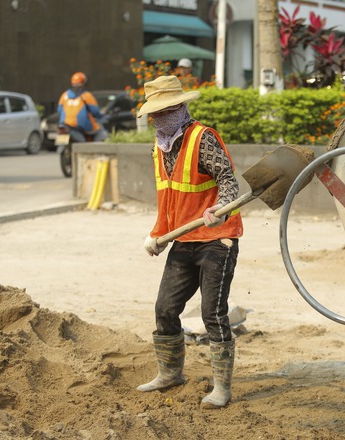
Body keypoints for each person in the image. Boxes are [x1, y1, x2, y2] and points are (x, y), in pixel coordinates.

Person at [136, 75, 243, 410]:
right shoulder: (160, 147)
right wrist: (158, 235)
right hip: (184, 238)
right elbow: (170, 199)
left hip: (216, 239)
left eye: (166, 111)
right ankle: (170, 372)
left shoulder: (203, 139)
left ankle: (222, 387)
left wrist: (221, 209)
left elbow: (228, 179)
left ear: (180, 107)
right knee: (165, 309)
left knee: (213, 312)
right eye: (155, 114)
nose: (160, 118)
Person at [57, 72, 108, 142]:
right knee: (98, 132)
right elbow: (95, 112)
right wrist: (101, 116)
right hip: (79, 127)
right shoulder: (87, 95)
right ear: (84, 84)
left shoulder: (64, 95)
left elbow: (59, 110)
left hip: (63, 124)